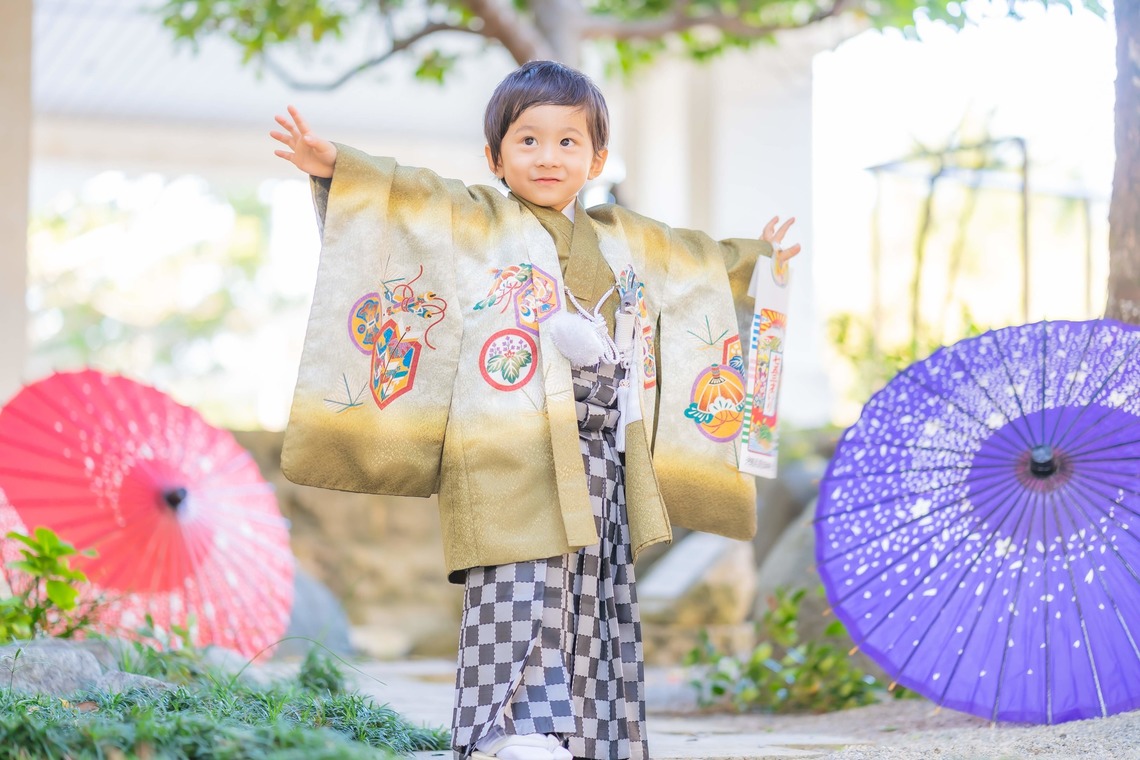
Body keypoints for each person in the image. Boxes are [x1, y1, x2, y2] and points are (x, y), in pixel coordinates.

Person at [271, 60, 799, 760]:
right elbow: (410, 200)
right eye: (527, 141)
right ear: (495, 157)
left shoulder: (622, 238)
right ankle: (508, 732)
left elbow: (694, 268)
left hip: (600, 450)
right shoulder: (476, 217)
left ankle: (582, 736)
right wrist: (341, 171)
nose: (548, 156)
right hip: (506, 449)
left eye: (567, 142)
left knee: (590, 592)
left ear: (598, 157)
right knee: (517, 589)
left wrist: (755, 263)